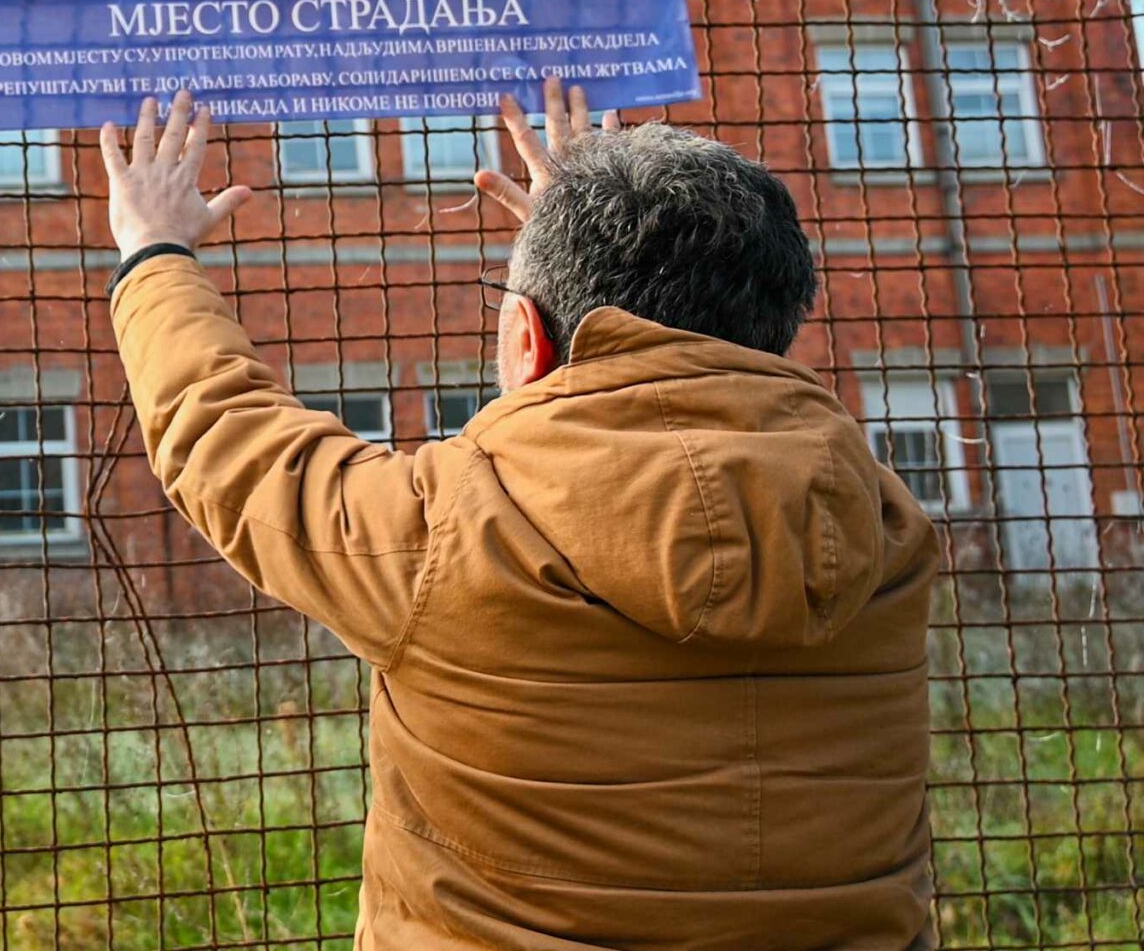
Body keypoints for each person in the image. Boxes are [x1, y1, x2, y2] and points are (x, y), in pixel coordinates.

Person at [96, 83, 935, 950]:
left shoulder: (446, 533)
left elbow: (230, 436)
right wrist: (577, 249)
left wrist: (154, 253)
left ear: (527, 341)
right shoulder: (882, 524)